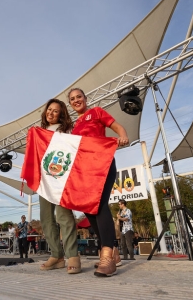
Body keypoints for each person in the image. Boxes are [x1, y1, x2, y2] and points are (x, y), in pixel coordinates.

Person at [68, 87, 129, 277]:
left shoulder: (96, 112)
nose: (76, 100)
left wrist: (123, 135)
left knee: (101, 203)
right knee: (88, 208)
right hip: (85, 170)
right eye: (72, 99)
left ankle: (107, 257)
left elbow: (117, 126)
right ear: (70, 104)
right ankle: (112, 251)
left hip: (102, 163)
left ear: (85, 98)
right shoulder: (74, 126)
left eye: (79, 96)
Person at [38, 98, 81, 274]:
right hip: (44, 180)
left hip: (62, 179)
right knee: (46, 219)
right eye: (49, 109)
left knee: (64, 216)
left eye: (56, 111)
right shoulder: (39, 132)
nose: (51, 113)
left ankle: (73, 256)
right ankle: (56, 255)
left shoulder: (68, 130)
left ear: (61, 114)